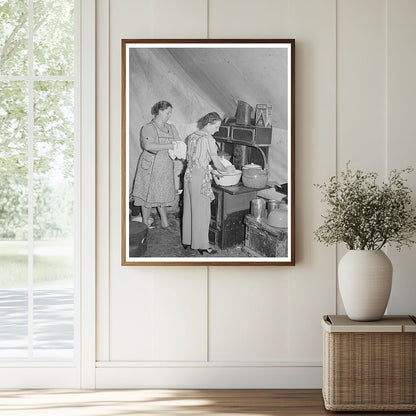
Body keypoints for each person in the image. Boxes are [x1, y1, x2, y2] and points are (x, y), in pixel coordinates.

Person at [182, 112, 232, 254]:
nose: (217, 130)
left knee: (190, 208)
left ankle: (188, 240)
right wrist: (228, 169)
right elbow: (217, 162)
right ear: (208, 124)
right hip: (199, 177)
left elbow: (192, 158)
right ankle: (202, 245)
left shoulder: (192, 136)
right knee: (203, 212)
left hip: (188, 174)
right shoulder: (208, 138)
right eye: (216, 126)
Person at [132, 101, 180, 228]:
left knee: (162, 193)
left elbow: (178, 143)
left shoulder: (171, 128)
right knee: (146, 196)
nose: (169, 115)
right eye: (167, 112)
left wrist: (180, 149)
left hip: (165, 165)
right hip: (150, 165)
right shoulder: (148, 128)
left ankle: (164, 222)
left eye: (170, 113)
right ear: (159, 111)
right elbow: (148, 145)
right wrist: (171, 145)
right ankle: (144, 224)